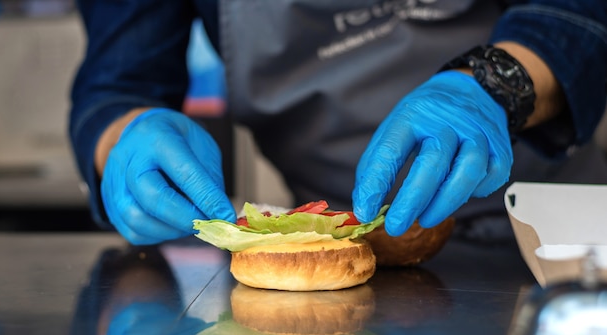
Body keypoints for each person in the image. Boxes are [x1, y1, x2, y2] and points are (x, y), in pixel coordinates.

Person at [69, 0, 607, 245]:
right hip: (340, 244)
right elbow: (119, 82)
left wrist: (493, 85)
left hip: (556, 231)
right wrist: (124, 136)